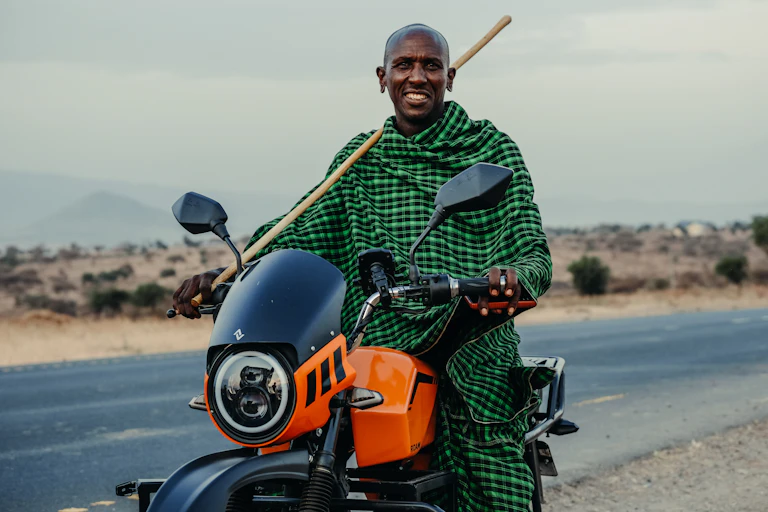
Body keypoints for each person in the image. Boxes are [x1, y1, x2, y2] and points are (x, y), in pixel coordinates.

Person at [173, 23, 552, 512]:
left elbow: (531, 246)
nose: (417, 76)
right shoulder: (360, 160)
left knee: (491, 459)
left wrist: (511, 276)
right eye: (404, 65)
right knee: (302, 434)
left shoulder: (490, 150)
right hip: (376, 334)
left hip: (468, 328)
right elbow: (300, 229)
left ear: (450, 77)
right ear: (382, 77)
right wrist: (226, 276)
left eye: (431, 66)